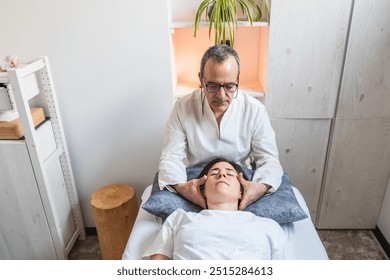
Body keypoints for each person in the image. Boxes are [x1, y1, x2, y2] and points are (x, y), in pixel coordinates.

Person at [158, 44, 283, 210]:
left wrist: (259, 188)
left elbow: (269, 159)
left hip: (237, 181)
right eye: (213, 86)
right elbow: (171, 156)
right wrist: (182, 187)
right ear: (201, 80)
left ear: (238, 80)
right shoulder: (183, 107)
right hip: (198, 179)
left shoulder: (255, 110)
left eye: (230, 86)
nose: (221, 95)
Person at [144, 158, 286, 260]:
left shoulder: (268, 226)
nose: (221, 174)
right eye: (214, 173)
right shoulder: (179, 218)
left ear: (242, 192)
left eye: (230, 173)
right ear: (203, 190)